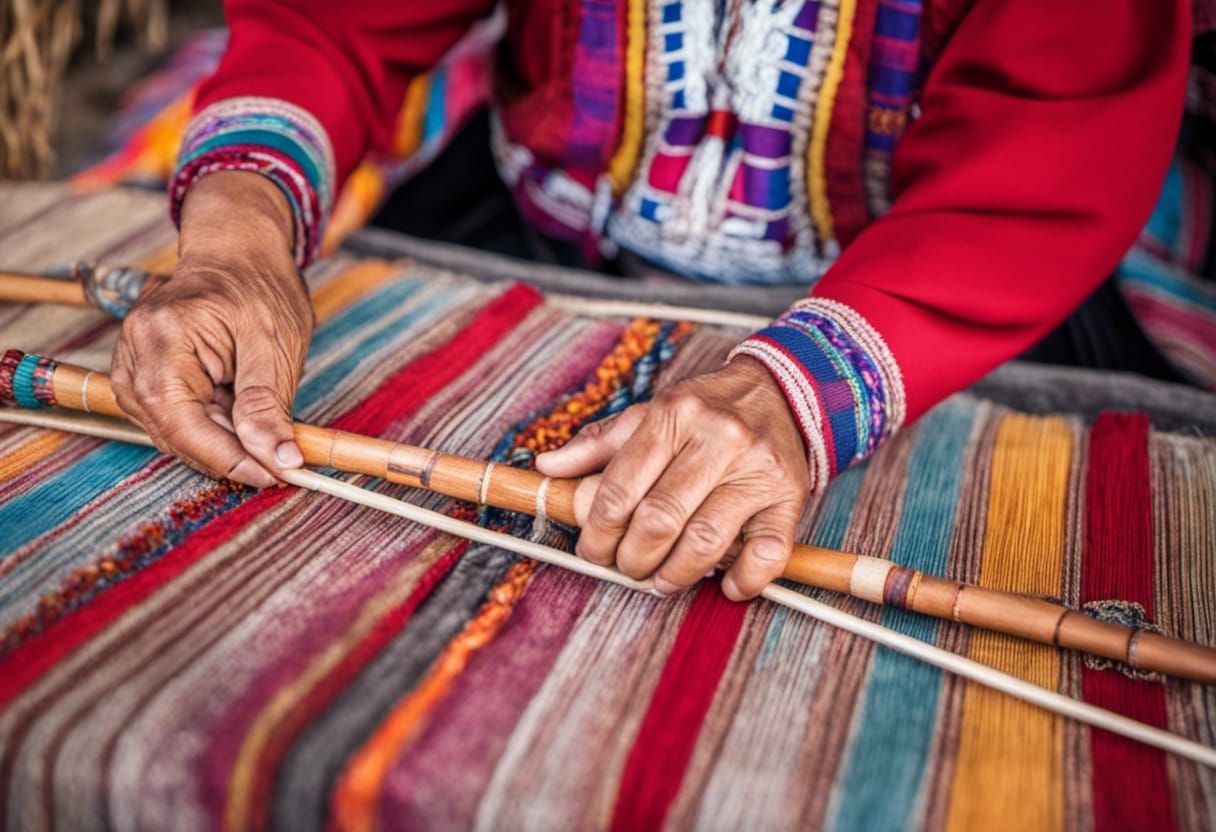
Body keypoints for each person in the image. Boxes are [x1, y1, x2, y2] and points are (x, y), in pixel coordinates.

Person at [110, 0, 1193, 603]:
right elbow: (331, 22)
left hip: (938, 286)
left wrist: (800, 392)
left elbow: (1053, 130)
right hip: (537, 229)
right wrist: (238, 236)